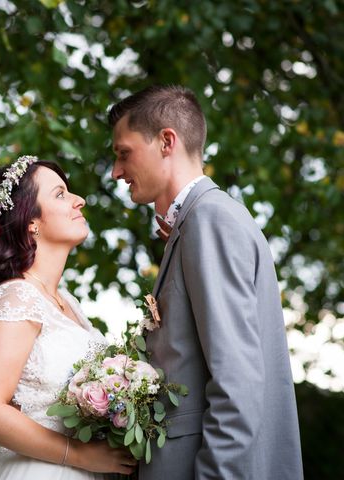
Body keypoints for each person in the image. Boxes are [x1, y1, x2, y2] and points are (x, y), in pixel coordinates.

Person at [108, 86, 303, 479]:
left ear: (167, 141)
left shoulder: (209, 221)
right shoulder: (201, 222)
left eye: (123, 153)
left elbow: (238, 384)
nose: (116, 172)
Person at [0, 155, 136, 479]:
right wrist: (81, 454)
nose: (79, 201)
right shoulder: (17, 296)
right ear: (31, 222)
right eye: (60, 194)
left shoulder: (68, 302)